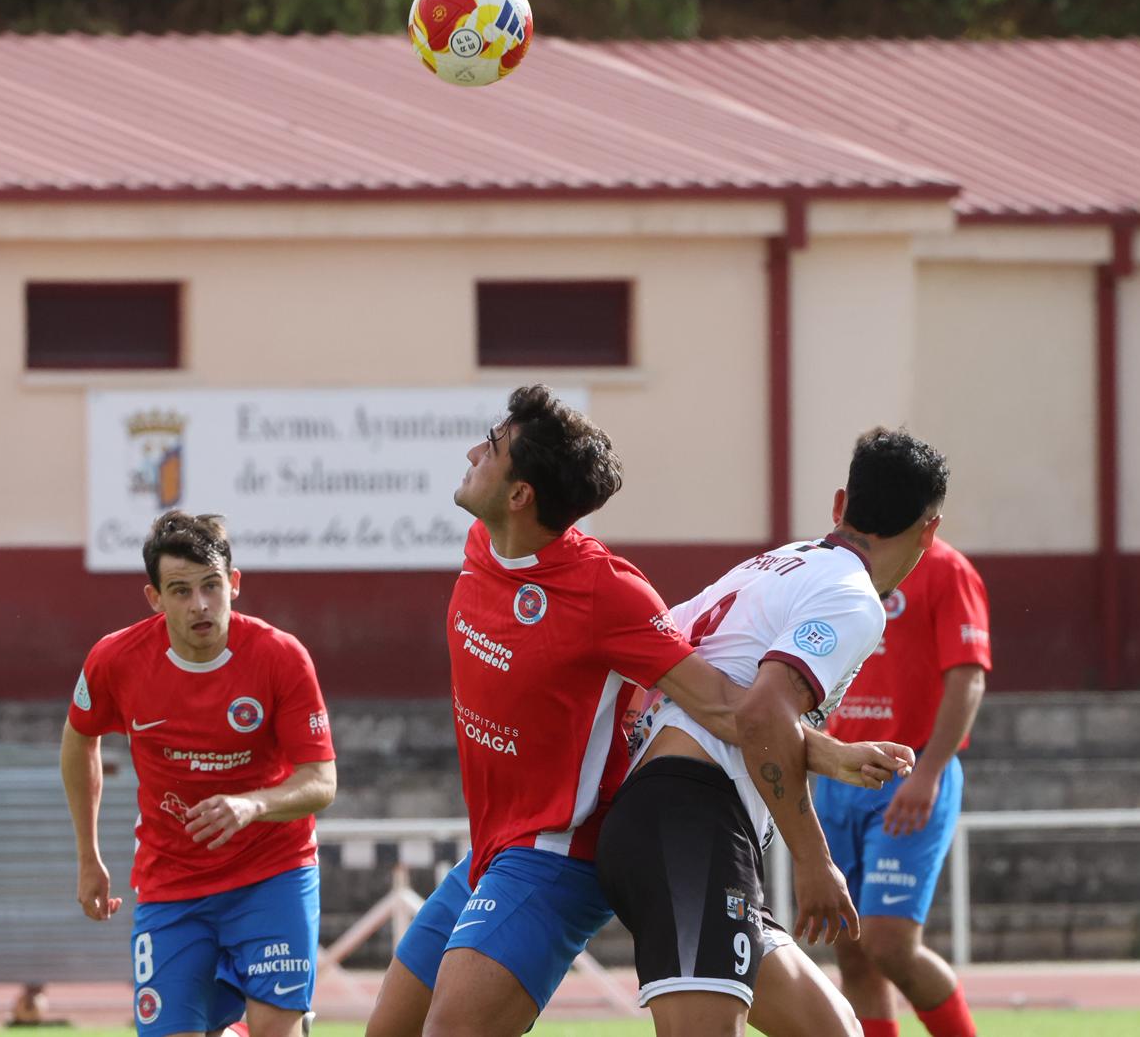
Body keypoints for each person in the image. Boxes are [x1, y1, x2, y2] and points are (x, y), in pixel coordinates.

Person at [364, 386, 911, 1037]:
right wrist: (831, 750)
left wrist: (826, 758)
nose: (473, 450)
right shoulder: (484, 547)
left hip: (562, 851)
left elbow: (727, 706)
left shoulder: (607, 592)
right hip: (497, 846)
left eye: (493, 445)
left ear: (520, 496)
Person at [595, 427, 951, 1037]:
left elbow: (703, 689)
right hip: (691, 825)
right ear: (930, 530)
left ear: (841, 505)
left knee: (835, 1030)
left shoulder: (778, 565)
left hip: (671, 817)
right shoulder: (852, 598)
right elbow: (761, 714)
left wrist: (823, 752)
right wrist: (814, 861)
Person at [60, 511, 337, 1037]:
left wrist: (252, 804)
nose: (200, 604)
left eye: (211, 586)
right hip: (173, 884)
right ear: (155, 599)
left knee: (276, 1029)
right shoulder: (115, 660)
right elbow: (79, 739)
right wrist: (88, 856)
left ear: (234, 583)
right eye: (181, 591)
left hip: (273, 873)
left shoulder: (281, 658)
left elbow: (321, 781)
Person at [815, 533, 991, 1037]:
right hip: (841, 773)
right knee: (852, 951)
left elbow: (968, 678)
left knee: (889, 944)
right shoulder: (836, 565)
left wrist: (930, 774)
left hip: (909, 775)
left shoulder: (948, 571)